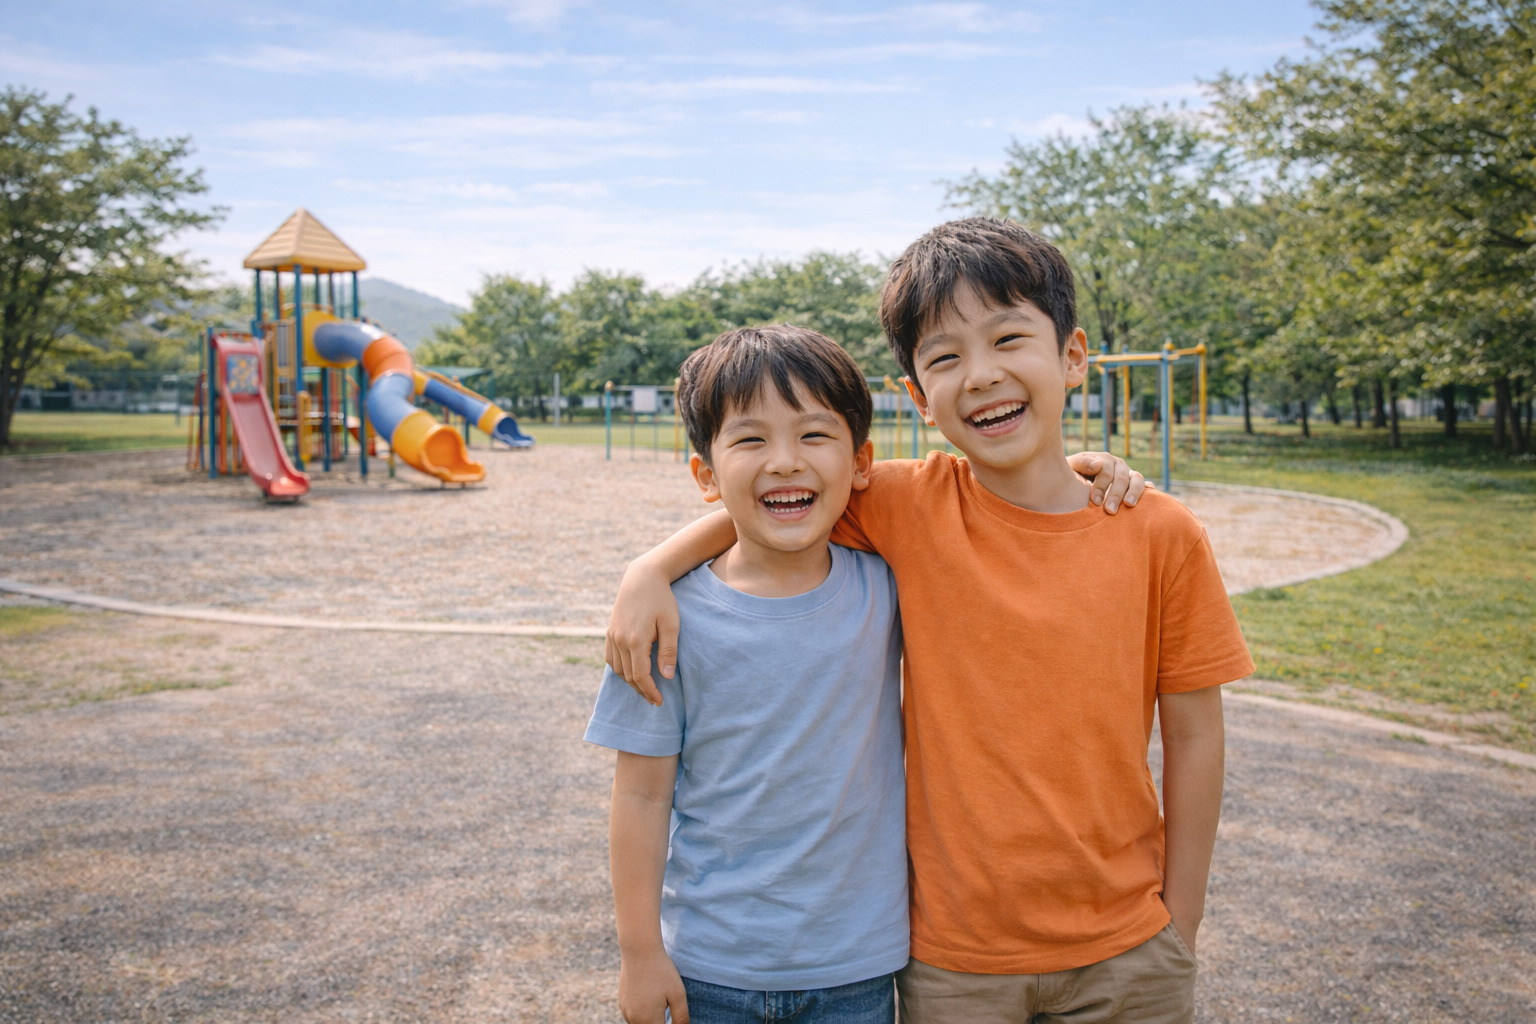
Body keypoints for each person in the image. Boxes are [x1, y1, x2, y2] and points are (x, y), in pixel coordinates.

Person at [606, 218, 1253, 1024]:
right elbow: (780, 503)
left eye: (1008, 338)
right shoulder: (908, 503)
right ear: (917, 395)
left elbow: (1195, 736)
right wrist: (651, 570)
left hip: (1129, 946)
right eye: (945, 356)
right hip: (952, 959)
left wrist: (1180, 921)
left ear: (1073, 356)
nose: (980, 375)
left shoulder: (1160, 532)